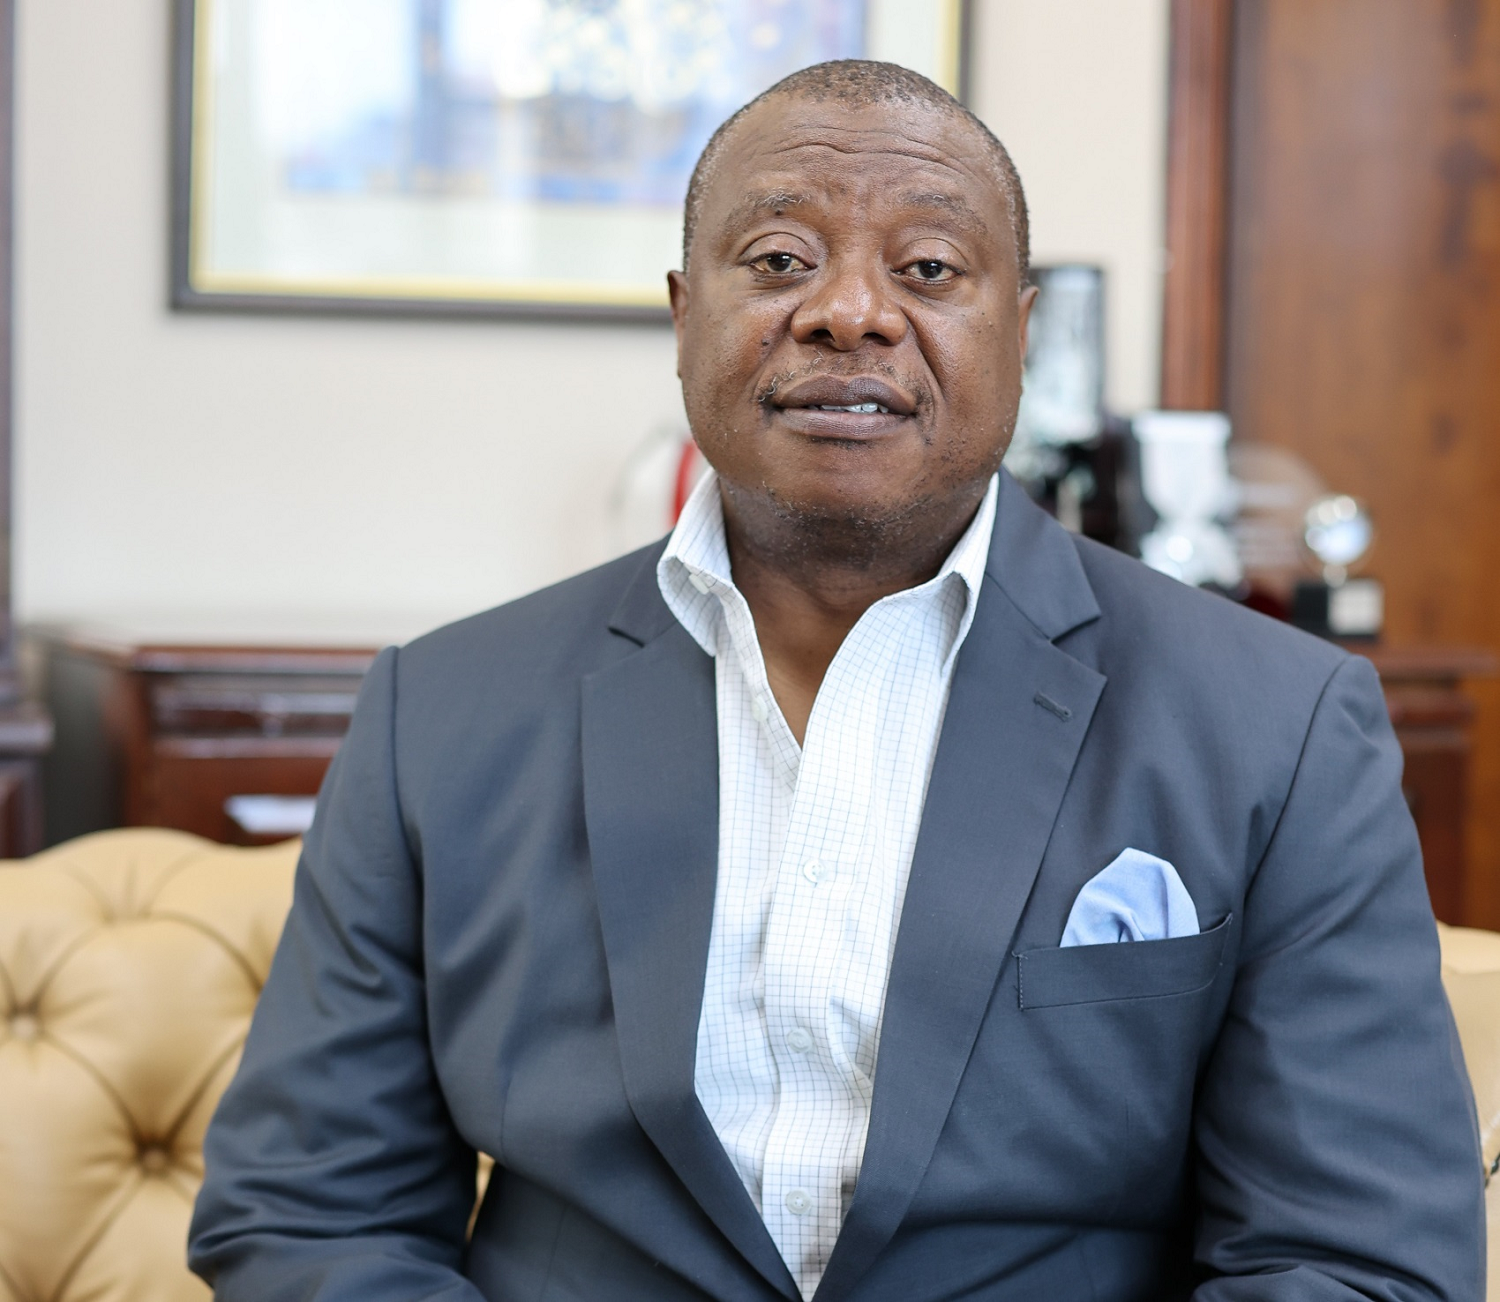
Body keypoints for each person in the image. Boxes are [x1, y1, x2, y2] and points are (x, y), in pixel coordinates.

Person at [189, 61, 1483, 1301]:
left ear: (1022, 334)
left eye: (929, 268)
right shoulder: (440, 712)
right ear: (682, 316)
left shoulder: (1275, 724)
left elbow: (1356, 1256)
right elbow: (311, 1212)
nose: (849, 312)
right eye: (777, 261)